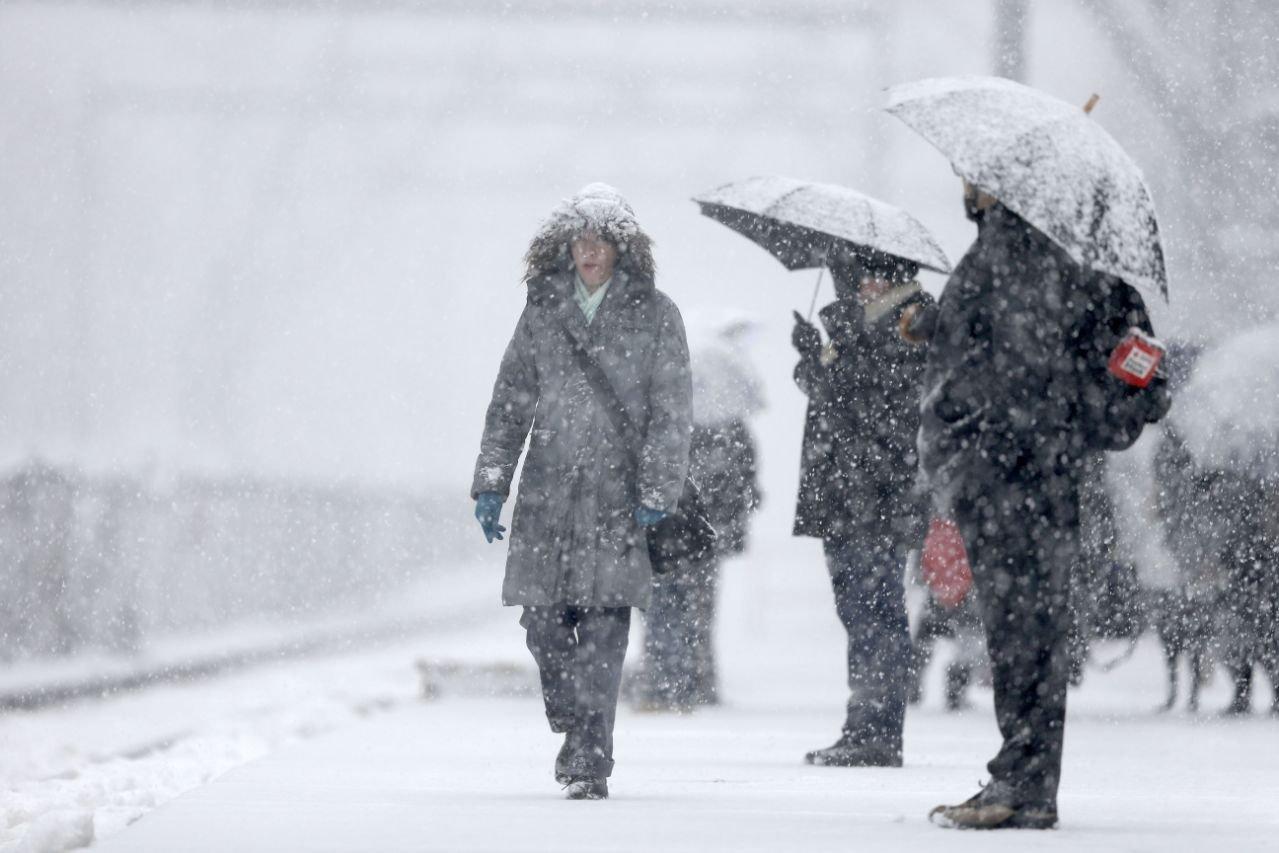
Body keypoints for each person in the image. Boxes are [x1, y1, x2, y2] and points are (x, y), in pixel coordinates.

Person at [917, 183, 1171, 829]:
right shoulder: (1089, 273)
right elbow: (1141, 371)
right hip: (1049, 476)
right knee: (1035, 630)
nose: (963, 186)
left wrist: (964, 440)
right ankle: (1026, 779)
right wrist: (1084, 415)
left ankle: (1019, 781)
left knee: (1016, 631)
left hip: (996, 474)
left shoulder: (994, 262)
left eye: (972, 176)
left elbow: (969, 374)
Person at [470, 183, 692, 800]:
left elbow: (671, 411)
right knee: (542, 623)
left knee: (603, 630)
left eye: (600, 240)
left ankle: (590, 756)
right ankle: (573, 713)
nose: (589, 251)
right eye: (580, 239)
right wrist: (493, 480)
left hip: (618, 496)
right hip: (548, 492)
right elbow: (510, 402)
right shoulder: (541, 309)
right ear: (564, 245)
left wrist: (659, 487)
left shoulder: (656, 313)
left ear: (622, 248)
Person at [791, 250, 934, 767]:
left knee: (875, 611)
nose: (855, 287)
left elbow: (874, 406)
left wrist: (835, 352)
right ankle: (867, 724)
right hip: (852, 494)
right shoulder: (868, 323)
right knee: (861, 610)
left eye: (861, 277)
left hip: (875, 495)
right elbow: (835, 395)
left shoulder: (910, 324)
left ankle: (876, 729)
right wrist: (813, 358)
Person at [630, 318, 763, 711]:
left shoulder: (654, 421)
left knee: (658, 607)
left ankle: (661, 681)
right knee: (697, 607)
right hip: (703, 534)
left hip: (660, 531)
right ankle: (696, 680)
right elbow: (744, 482)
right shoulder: (730, 427)